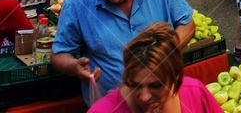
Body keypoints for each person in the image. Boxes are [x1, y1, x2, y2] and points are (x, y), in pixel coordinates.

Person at [52, 0, 194, 104]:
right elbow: (59, 55)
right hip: (112, 104)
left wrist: (166, 53)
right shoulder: (76, 2)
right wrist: (75, 66)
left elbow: (187, 24)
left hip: (162, 101)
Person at [89, 23, 222, 113]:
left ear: (175, 76)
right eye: (135, 85)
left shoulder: (196, 94)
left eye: (156, 85)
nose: (144, 97)